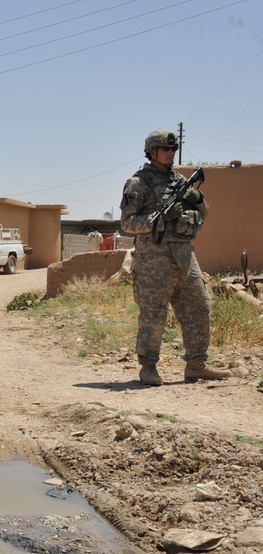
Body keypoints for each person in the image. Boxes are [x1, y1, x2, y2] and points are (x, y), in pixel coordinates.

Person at [119, 129, 230, 387]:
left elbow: (206, 211)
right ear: (152, 152)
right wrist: (159, 219)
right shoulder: (138, 183)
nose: (170, 154)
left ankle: (196, 364)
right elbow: (127, 223)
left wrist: (198, 198)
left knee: (199, 307)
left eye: (173, 149)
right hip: (154, 258)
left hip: (184, 255)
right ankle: (148, 367)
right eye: (165, 149)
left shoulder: (180, 181)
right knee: (154, 312)